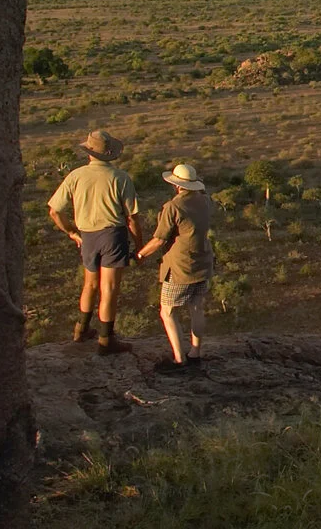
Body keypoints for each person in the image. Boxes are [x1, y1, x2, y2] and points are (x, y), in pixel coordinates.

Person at [46, 129, 140, 352]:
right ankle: (106, 340)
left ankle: (81, 330)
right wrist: (139, 244)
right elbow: (132, 218)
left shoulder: (75, 176)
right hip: (113, 236)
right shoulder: (120, 178)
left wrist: (71, 232)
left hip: (87, 236)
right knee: (109, 288)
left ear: (89, 152)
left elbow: (54, 211)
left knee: (89, 284)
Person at [136, 160, 217, 368]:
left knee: (167, 311)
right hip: (203, 261)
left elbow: (159, 239)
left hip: (180, 266)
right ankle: (195, 352)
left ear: (176, 185)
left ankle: (179, 359)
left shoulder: (173, 207)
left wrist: (140, 255)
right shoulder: (205, 201)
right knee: (197, 307)